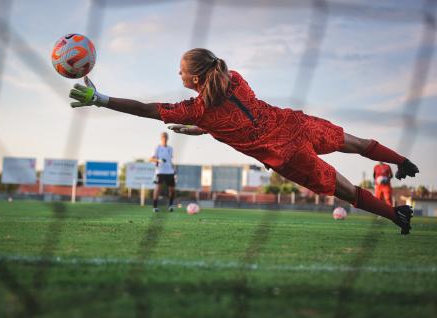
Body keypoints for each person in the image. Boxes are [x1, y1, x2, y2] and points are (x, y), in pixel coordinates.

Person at [69, 48, 419, 234]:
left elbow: (147, 109)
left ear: (193, 77)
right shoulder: (233, 77)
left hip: (287, 153)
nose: (178, 74)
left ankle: (395, 215)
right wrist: (203, 130)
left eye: (181, 69)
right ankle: (402, 160)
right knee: (356, 142)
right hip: (294, 122)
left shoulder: (197, 109)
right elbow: (236, 119)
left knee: (344, 189)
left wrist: (102, 99)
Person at [149, 132, 176, 213]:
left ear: (167, 138)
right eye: (163, 137)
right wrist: (159, 160)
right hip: (160, 171)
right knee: (158, 188)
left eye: (166, 137)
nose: (164, 138)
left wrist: (174, 170)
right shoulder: (157, 148)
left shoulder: (170, 148)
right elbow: (151, 159)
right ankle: (155, 207)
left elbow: (170, 161)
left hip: (170, 171)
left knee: (172, 189)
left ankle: (171, 206)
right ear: (161, 138)